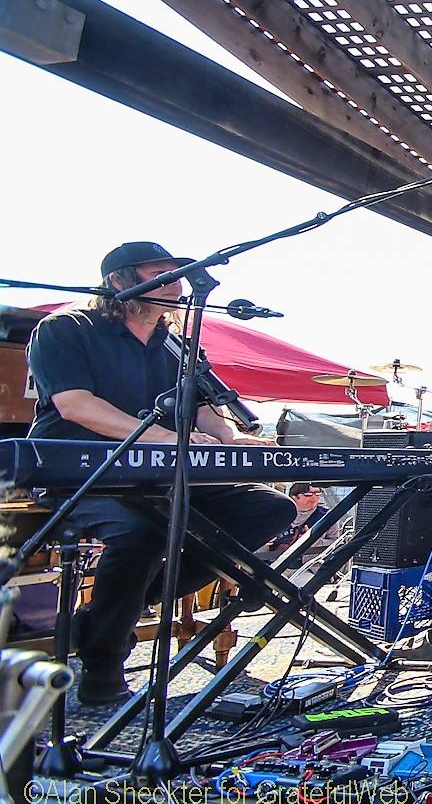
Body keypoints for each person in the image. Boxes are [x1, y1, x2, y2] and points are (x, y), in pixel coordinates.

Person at [29, 242, 294, 705]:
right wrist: (171, 439)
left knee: (269, 508)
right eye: (163, 274)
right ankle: (103, 666)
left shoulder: (175, 342)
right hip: (78, 473)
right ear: (121, 281)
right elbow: (77, 406)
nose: (176, 284)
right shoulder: (66, 328)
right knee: (141, 535)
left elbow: (208, 409)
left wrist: (232, 440)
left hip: (158, 477)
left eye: (178, 275)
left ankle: (118, 608)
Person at [262, 482, 341, 561]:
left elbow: (335, 544)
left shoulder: (327, 517)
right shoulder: (275, 514)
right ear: (294, 497)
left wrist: (313, 540)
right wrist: (263, 543)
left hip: (307, 567)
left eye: (317, 494)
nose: (314, 498)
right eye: (308, 495)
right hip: (273, 564)